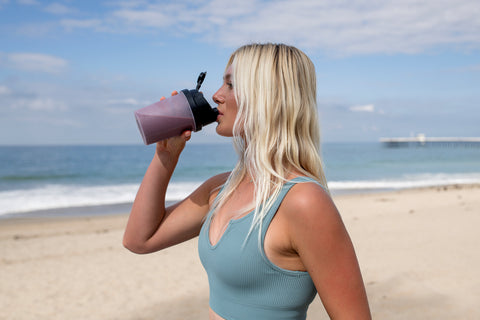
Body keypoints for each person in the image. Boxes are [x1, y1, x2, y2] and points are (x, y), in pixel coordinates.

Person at [123, 43, 371, 320]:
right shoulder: (220, 189)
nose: (216, 95)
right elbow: (139, 240)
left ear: (268, 97)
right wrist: (165, 158)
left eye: (231, 85)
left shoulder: (303, 201)